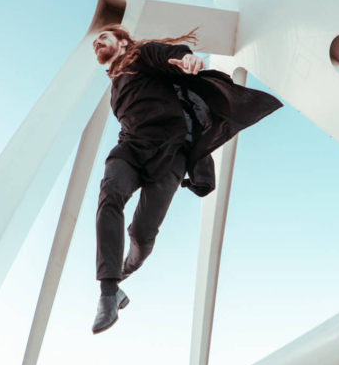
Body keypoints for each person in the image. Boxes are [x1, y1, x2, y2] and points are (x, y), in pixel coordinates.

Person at [90, 24, 282, 334]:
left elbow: (169, 56)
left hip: (170, 154)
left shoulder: (142, 54)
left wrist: (188, 59)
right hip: (130, 149)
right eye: (96, 42)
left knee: (143, 232)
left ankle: (127, 267)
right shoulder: (114, 86)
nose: (97, 42)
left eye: (104, 37)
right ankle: (108, 293)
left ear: (123, 42)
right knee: (110, 195)